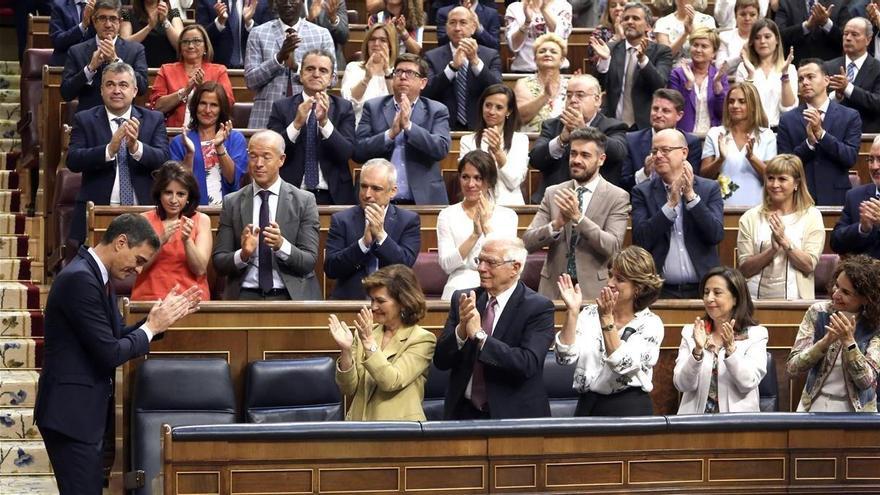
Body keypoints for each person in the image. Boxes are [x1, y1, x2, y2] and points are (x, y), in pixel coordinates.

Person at [35, 213, 201, 494]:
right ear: (121, 242)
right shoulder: (80, 279)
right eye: (138, 260)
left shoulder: (98, 276)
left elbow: (111, 337)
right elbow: (110, 353)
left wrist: (156, 323)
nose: (138, 271)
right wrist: (149, 328)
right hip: (71, 415)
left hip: (82, 413)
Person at [433, 236, 556, 419]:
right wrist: (461, 331)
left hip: (515, 418)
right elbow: (441, 361)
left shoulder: (538, 307)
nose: (481, 268)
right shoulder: (464, 299)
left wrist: (480, 336)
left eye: (490, 262)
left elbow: (527, 363)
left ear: (515, 268)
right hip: (463, 414)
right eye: (479, 260)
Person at [66, 62, 169, 244]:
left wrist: (136, 148)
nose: (116, 90)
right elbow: (73, 160)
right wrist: (109, 150)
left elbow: (163, 159)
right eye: (110, 84)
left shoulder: (154, 119)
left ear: (135, 90)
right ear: (101, 90)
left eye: (123, 85)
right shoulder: (85, 119)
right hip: (99, 208)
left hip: (142, 209)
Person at [211, 130, 321, 300]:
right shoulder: (232, 202)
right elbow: (219, 262)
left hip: (291, 297)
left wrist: (281, 245)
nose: (258, 163)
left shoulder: (304, 201)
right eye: (253, 156)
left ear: (281, 160)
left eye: (266, 157)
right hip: (245, 295)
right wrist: (243, 254)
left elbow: (308, 262)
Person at [555, 246, 664, 416]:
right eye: (611, 274)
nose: (610, 283)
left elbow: (622, 364)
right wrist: (572, 312)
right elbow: (564, 358)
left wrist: (606, 319)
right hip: (587, 405)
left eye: (619, 279)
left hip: (629, 408)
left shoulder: (650, 324)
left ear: (639, 288)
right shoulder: (590, 314)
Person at [523, 127, 630, 301]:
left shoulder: (617, 196)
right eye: (573, 154)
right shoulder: (553, 192)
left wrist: (578, 218)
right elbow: (528, 242)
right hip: (552, 289)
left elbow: (612, 247)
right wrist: (556, 225)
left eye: (585, 155)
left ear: (601, 159)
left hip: (593, 291)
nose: (577, 160)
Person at [330, 264, 437, 420]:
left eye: (380, 300)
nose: (373, 307)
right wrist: (345, 351)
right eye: (372, 300)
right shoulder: (367, 332)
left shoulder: (422, 340)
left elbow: (391, 381)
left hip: (398, 432)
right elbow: (348, 388)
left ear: (403, 301)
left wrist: (369, 344)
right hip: (358, 428)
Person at [631, 129, 724, 299]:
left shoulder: (709, 188)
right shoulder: (641, 192)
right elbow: (641, 239)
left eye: (665, 150)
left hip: (703, 290)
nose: (658, 156)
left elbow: (715, 234)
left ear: (684, 153)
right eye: (654, 151)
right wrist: (670, 205)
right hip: (660, 291)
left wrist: (691, 197)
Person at [353, 53, 451, 206]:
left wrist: (409, 127)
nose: (403, 76)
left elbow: (441, 148)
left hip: (422, 199)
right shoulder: (373, 107)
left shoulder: (437, 110)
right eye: (398, 72)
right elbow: (358, 151)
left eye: (410, 73)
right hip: (377, 200)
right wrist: (390, 134)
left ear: (423, 83)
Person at [787, 254, 880, 412]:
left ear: (866, 299)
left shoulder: (875, 325)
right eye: (837, 286)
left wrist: (849, 343)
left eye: (845, 292)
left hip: (858, 411)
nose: (835, 295)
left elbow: (866, 382)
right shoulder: (818, 313)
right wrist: (824, 343)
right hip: (815, 404)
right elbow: (792, 368)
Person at [673, 266, 768, 413]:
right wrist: (697, 352)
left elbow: (748, 382)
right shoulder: (691, 333)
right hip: (694, 424)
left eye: (717, 293)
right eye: (706, 293)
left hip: (738, 426)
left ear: (735, 298)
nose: (709, 298)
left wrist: (731, 350)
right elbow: (682, 385)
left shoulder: (755, 335)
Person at [267, 49, 356, 205]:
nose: (316, 74)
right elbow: (272, 151)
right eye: (310, 69)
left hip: (333, 195)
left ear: (331, 78)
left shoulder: (344, 108)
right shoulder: (281, 107)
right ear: (301, 75)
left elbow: (346, 153)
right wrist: (296, 124)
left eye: (323, 70)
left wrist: (324, 123)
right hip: (291, 195)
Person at [324, 159, 421, 300]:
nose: (367, 194)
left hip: (393, 301)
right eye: (363, 186)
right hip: (350, 303)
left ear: (392, 191)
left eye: (376, 188)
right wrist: (363, 244)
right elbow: (331, 269)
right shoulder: (341, 220)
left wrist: (381, 236)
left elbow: (404, 265)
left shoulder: (408, 221)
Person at [529, 74, 629, 202]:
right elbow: (535, 160)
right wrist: (561, 140)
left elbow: (618, 153)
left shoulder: (614, 126)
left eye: (580, 95)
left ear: (597, 100)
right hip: (554, 200)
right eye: (569, 95)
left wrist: (585, 130)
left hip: (598, 203)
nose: (573, 100)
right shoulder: (552, 125)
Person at [737, 154, 825, 300]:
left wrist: (785, 242)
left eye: (782, 179)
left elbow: (808, 265)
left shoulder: (812, 217)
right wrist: (772, 250)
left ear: (796, 183)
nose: (775, 184)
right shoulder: (750, 217)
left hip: (796, 302)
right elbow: (744, 270)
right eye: (770, 178)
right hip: (753, 301)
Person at [777, 59, 861, 206]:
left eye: (810, 77)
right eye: (801, 79)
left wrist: (821, 134)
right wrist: (809, 144)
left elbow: (850, 158)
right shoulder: (787, 120)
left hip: (837, 197)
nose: (805, 82)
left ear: (826, 80)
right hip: (800, 198)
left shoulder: (850, 116)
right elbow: (785, 166)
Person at [437, 151, 518, 300]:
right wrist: (475, 235)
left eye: (478, 178)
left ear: (489, 181)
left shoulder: (508, 216)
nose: (471, 184)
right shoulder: (447, 215)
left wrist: (486, 226)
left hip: (498, 285)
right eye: (465, 177)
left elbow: (508, 260)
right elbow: (447, 265)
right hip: (459, 285)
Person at [244, 0, 335, 129]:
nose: (287, 3)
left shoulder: (321, 34)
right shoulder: (258, 33)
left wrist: (296, 67)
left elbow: (333, 79)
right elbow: (250, 80)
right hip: (266, 115)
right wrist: (278, 58)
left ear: (303, 1)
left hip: (310, 115)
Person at [132, 162, 213, 301]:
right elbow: (139, 267)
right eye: (168, 192)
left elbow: (199, 269)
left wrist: (187, 241)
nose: (174, 200)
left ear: (188, 197)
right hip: (150, 299)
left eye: (181, 194)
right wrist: (160, 241)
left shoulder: (201, 220)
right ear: (159, 194)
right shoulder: (143, 219)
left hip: (191, 300)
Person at [592, 1, 673, 130]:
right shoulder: (611, 49)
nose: (629, 22)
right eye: (626, 18)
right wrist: (604, 61)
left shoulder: (661, 52)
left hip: (645, 126)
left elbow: (659, 85)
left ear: (648, 26)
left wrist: (643, 60)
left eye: (635, 18)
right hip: (613, 126)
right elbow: (599, 84)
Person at [423, 6, 502, 132]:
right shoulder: (431, 56)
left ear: (473, 27)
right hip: (442, 127)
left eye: (463, 23)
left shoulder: (491, 55)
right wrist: (452, 68)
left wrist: (475, 62)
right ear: (447, 27)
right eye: (452, 23)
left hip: (481, 127)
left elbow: (498, 89)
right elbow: (426, 91)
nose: (457, 28)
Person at [60, 0, 148, 111]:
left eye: (113, 19)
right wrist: (90, 69)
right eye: (102, 18)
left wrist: (116, 61)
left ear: (120, 22)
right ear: (94, 21)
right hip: (88, 121)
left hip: (123, 120)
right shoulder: (77, 51)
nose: (108, 24)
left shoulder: (135, 50)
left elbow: (142, 88)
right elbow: (66, 93)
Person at [169, 82, 248, 206]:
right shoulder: (179, 142)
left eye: (214, 105)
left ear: (221, 109)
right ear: (195, 105)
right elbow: (178, 184)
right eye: (203, 104)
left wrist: (219, 146)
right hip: (192, 211)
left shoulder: (235, 139)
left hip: (229, 211)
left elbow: (234, 179)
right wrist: (189, 154)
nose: (207, 110)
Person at [700, 82, 776, 206]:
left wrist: (752, 158)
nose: (735, 106)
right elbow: (703, 177)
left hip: (757, 208)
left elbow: (773, 178)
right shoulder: (715, 134)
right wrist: (720, 159)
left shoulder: (767, 135)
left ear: (753, 105)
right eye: (731, 101)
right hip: (720, 208)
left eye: (742, 101)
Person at [149, 24, 235, 129]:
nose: (190, 46)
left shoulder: (218, 71)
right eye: (185, 42)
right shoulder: (166, 70)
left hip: (211, 133)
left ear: (205, 47)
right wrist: (184, 92)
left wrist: (202, 88)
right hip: (173, 133)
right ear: (180, 47)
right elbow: (157, 107)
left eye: (196, 41)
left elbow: (228, 103)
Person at [459, 84, 528, 206]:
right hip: (476, 205)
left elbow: (514, 182)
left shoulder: (520, 141)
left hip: (510, 206)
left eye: (499, 107)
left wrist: (498, 152)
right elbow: (468, 180)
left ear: (509, 111)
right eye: (488, 105)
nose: (491, 111)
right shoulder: (467, 141)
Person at [622, 88, 702, 191]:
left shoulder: (690, 142)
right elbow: (623, 184)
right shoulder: (632, 140)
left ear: (679, 115)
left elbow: (694, 182)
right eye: (655, 109)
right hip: (642, 202)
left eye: (666, 111)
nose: (658, 115)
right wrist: (645, 173)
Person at [735, 18, 797, 128]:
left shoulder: (790, 69)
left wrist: (785, 75)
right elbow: (742, 105)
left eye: (767, 37)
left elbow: (788, 108)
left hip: (780, 131)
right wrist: (750, 74)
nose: (762, 41)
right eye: (757, 38)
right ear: (752, 42)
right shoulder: (743, 68)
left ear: (777, 40)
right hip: (751, 130)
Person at [667, 27, 729, 135]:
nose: (698, 50)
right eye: (695, 45)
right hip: (684, 136)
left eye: (704, 46)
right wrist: (688, 86)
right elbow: (674, 109)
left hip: (712, 137)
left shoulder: (720, 76)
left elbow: (723, 113)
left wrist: (718, 87)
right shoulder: (677, 74)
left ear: (713, 53)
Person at [823, 17, 880, 133]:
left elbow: (877, 102)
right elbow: (818, 101)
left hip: (867, 134)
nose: (848, 38)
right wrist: (836, 96)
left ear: (868, 40)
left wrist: (848, 88)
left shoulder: (877, 68)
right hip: (832, 134)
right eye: (845, 34)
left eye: (855, 34)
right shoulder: (828, 66)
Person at [831, 135, 880, 258]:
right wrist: (862, 229)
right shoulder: (855, 196)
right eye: (871, 159)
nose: (874, 166)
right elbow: (835, 242)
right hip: (862, 274)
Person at [340, 23, 396, 125]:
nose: (376, 44)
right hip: (358, 126)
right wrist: (367, 78)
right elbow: (348, 103)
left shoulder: (396, 72)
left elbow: (398, 105)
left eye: (383, 40)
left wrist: (387, 71)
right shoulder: (353, 68)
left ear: (390, 46)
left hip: (388, 130)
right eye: (372, 39)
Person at [513, 33, 568, 132]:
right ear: (535, 59)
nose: (547, 54)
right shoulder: (523, 83)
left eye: (553, 52)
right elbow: (518, 118)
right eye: (542, 51)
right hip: (533, 142)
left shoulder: (570, 85)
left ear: (562, 60)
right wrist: (544, 97)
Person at [195, 0, 274, 69]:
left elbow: (268, 40)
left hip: (253, 70)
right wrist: (219, 22)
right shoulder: (206, 2)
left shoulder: (262, 3)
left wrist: (249, 23)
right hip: (217, 70)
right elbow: (199, 37)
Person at [504, 0, 573, 73]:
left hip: (557, 69)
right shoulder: (514, 8)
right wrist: (527, 22)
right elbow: (513, 46)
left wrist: (544, 10)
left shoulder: (563, 5)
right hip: (525, 69)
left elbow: (561, 36)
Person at [775, 0, 851, 64]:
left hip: (829, 68)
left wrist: (826, 23)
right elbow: (778, 35)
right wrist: (806, 27)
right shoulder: (787, 2)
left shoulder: (838, 2)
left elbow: (846, 37)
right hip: (797, 66)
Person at [120, 0, 185, 67]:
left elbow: (181, 45)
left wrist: (165, 21)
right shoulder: (127, 13)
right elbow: (124, 45)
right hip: (138, 69)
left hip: (168, 69)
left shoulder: (174, 12)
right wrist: (149, 27)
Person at [716, 0, 761, 75]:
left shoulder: (764, 39)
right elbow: (719, 68)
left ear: (758, 17)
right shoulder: (724, 37)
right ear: (736, 16)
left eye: (752, 15)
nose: (747, 18)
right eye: (743, 14)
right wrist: (741, 56)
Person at [303, 0, 350, 70]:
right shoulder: (292, 2)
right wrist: (309, 19)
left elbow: (343, 37)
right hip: (303, 60)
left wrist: (333, 19)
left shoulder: (336, 1)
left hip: (332, 61)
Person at [436, 0, 501, 49]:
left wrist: (478, 28)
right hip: (451, 56)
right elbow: (441, 42)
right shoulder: (443, 12)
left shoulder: (491, 14)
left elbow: (495, 46)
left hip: (481, 58)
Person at [49, 0, 96, 66]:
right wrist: (83, 26)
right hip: (66, 64)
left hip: (94, 62)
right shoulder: (59, 6)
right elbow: (57, 41)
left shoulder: (99, 5)